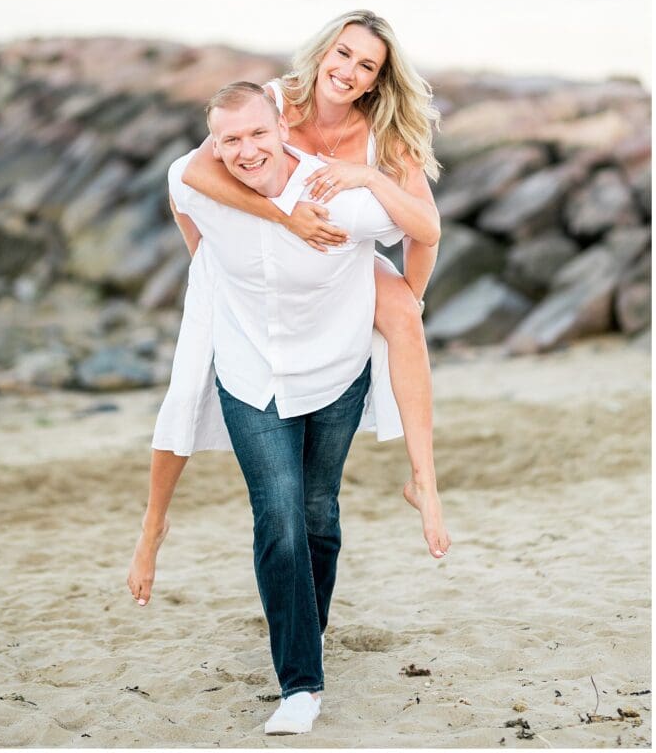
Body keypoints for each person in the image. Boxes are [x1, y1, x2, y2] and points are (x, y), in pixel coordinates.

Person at [129, 82, 449, 735]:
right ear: (214, 145)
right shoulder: (205, 189)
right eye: (230, 140)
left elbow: (421, 227)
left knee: (318, 513)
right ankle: (300, 685)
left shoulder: (337, 197)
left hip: (335, 376)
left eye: (256, 134)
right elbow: (178, 187)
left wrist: (405, 302)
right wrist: (203, 263)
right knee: (278, 515)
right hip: (252, 382)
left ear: (282, 130)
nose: (245, 151)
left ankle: (309, 628)